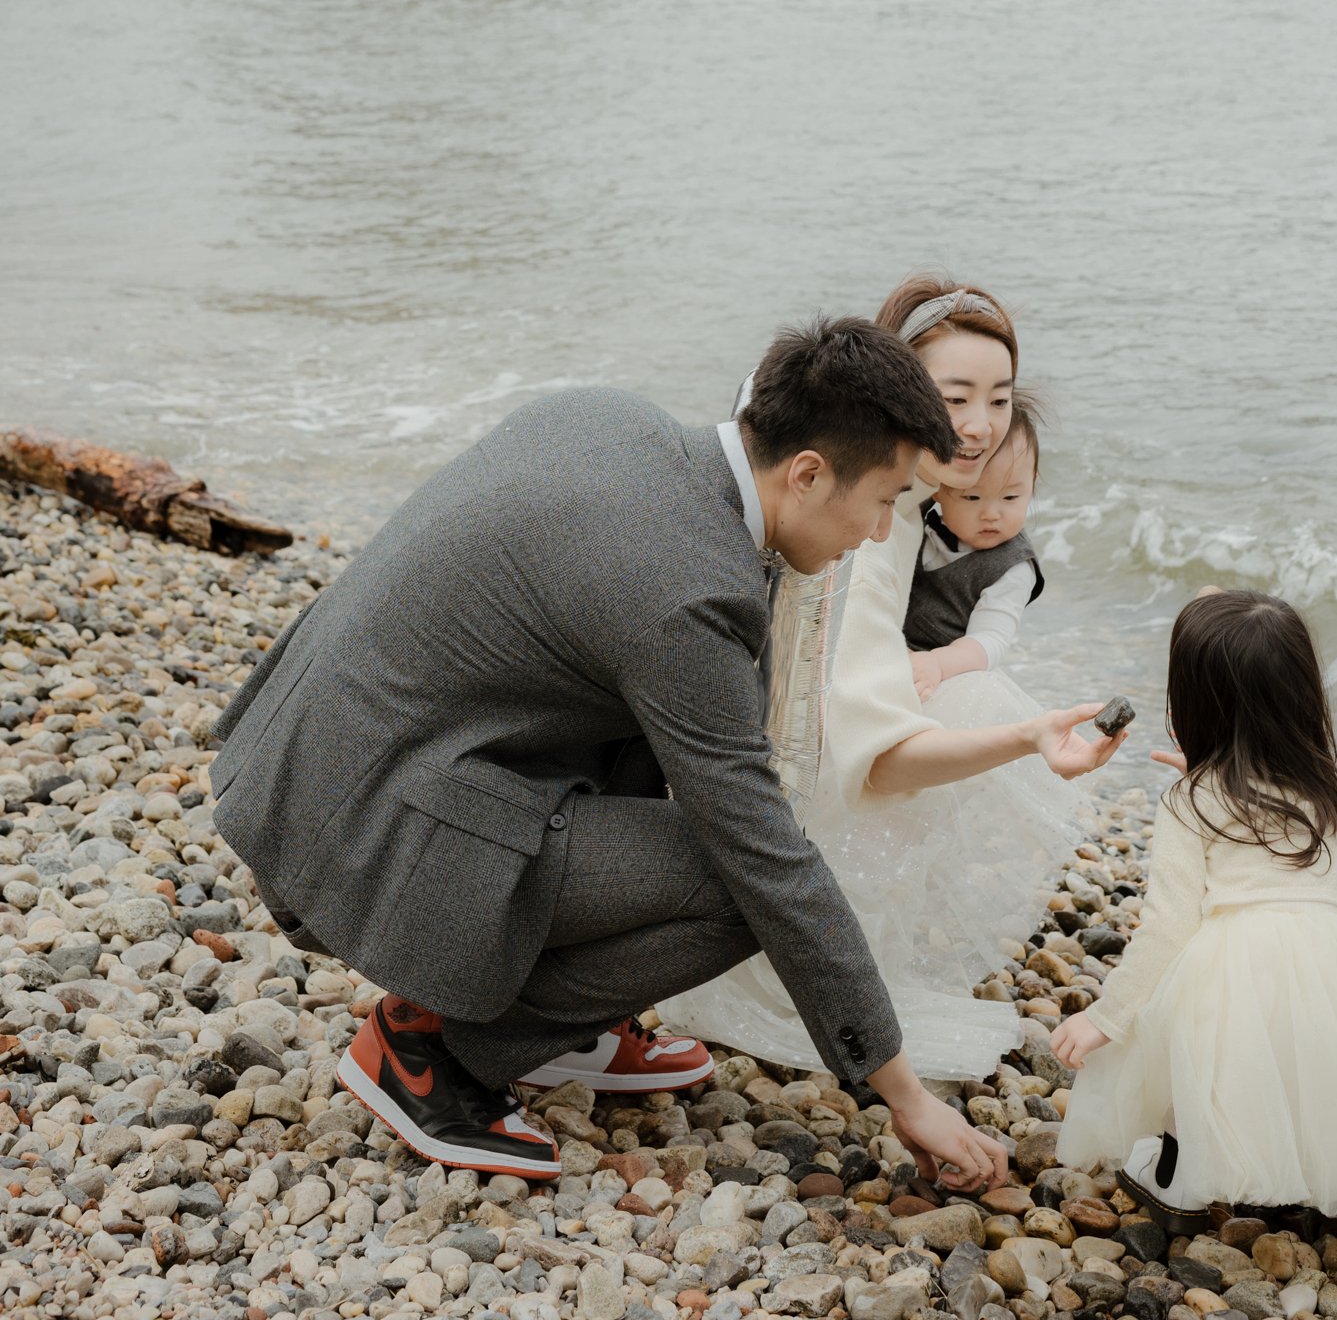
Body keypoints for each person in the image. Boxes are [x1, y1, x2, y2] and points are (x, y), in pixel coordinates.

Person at [210, 319, 1009, 1193]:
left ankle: (572, 1025)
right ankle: (431, 1044)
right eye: (886, 499)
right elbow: (764, 855)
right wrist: (898, 1088)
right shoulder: (683, 588)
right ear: (808, 472)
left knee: (673, 747)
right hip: (353, 840)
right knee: (736, 881)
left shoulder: (612, 420)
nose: (881, 530)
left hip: (301, 766)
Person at [664, 279, 1124, 1078]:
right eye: (955, 397)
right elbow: (876, 749)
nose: (981, 427)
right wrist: (1022, 738)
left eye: (1000, 399)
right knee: (969, 702)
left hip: (764, 735)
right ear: (897, 387)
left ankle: (839, 945)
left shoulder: (878, 481)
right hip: (795, 756)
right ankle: (827, 961)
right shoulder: (869, 533)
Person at [1051, 589, 1337, 1216]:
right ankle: (1317, 1170)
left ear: (1194, 707)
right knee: (1321, 1067)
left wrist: (1107, 1016)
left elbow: (1168, 927)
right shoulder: (1327, 791)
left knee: (1193, 1050)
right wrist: (1226, 777)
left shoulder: (1188, 802)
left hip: (1233, 969)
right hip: (1335, 967)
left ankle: (1182, 1170)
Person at [904, 394, 1045, 701]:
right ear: (939, 488)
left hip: (944, 679)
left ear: (1031, 484)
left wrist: (937, 664)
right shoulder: (916, 513)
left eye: (1010, 498)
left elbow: (989, 640)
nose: (992, 514)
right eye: (972, 498)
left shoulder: (1014, 568)